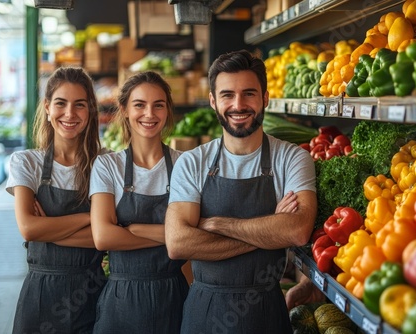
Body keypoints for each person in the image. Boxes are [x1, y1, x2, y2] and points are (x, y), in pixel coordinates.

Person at [165, 49, 318, 334]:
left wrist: (218, 224)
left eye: (249, 94)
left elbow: (297, 230)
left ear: (265, 98)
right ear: (213, 101)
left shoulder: (292, 158)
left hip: (266, 310)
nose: (238, 104)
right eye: (227, 95)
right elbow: (178, 244)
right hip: (205, 310)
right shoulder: (192, 162)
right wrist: (271, 230)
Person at [6, 66, 106, 333]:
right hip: (41, 295)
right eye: (61, 103)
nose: (70, 114)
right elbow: (28, 228)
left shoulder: (106, 164)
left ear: (90, 111)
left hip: (92, 294)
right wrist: (89, 218)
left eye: (80, 105)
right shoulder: (27, 162)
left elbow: (106, 237)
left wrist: (47, 228)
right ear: (48, 107)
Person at [89, 70, 189, 333]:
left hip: (174, 297)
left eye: (159, 105)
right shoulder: (107, 165)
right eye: (139, 105)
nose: (149, 114)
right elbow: (103, 238)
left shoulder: (184, 165)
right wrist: (172, 236)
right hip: (123, 299)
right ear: (124, 109)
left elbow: (192, 237)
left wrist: (133, 229)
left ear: (167, 110)